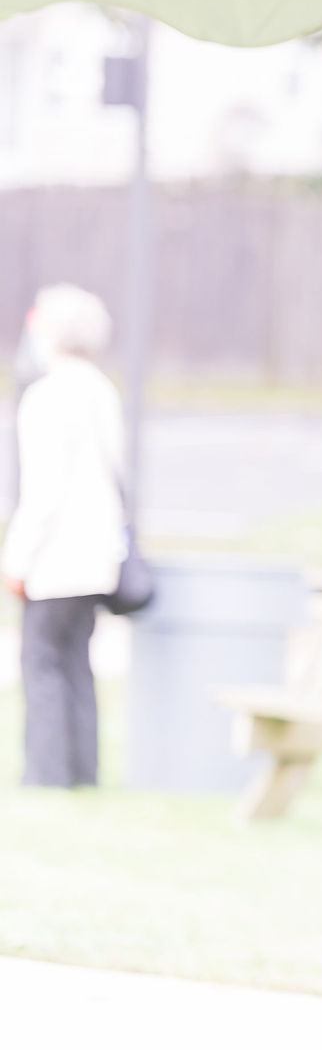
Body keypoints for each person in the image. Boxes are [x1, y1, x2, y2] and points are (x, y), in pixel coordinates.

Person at [4, 284, 125, 789]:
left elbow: (43, 492)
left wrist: (16, 559)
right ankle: (81, 774)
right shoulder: (102, 390)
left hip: (57, 558)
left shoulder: (47, 396)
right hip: (99, 557)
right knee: (76, 664)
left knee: (42, 665)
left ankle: (47, 777)